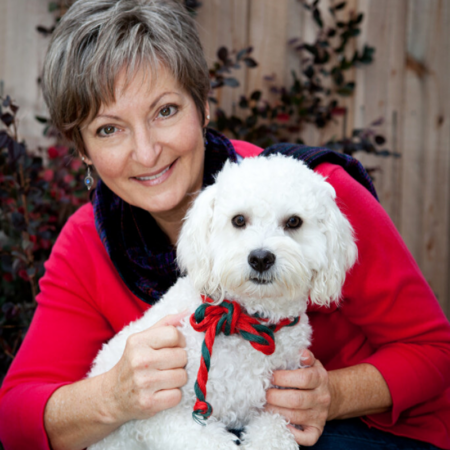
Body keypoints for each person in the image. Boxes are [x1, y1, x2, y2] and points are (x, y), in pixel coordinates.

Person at [0, 0, 449, 449]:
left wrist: (334, 394)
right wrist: (112, 398)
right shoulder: (87, 241)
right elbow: (16, 415)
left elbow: (435, 352)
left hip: (367, 432)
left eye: (165, 111)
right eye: (108, 129)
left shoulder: (317, 194)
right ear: (82, 150)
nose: (146, 151)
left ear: (203, 106)